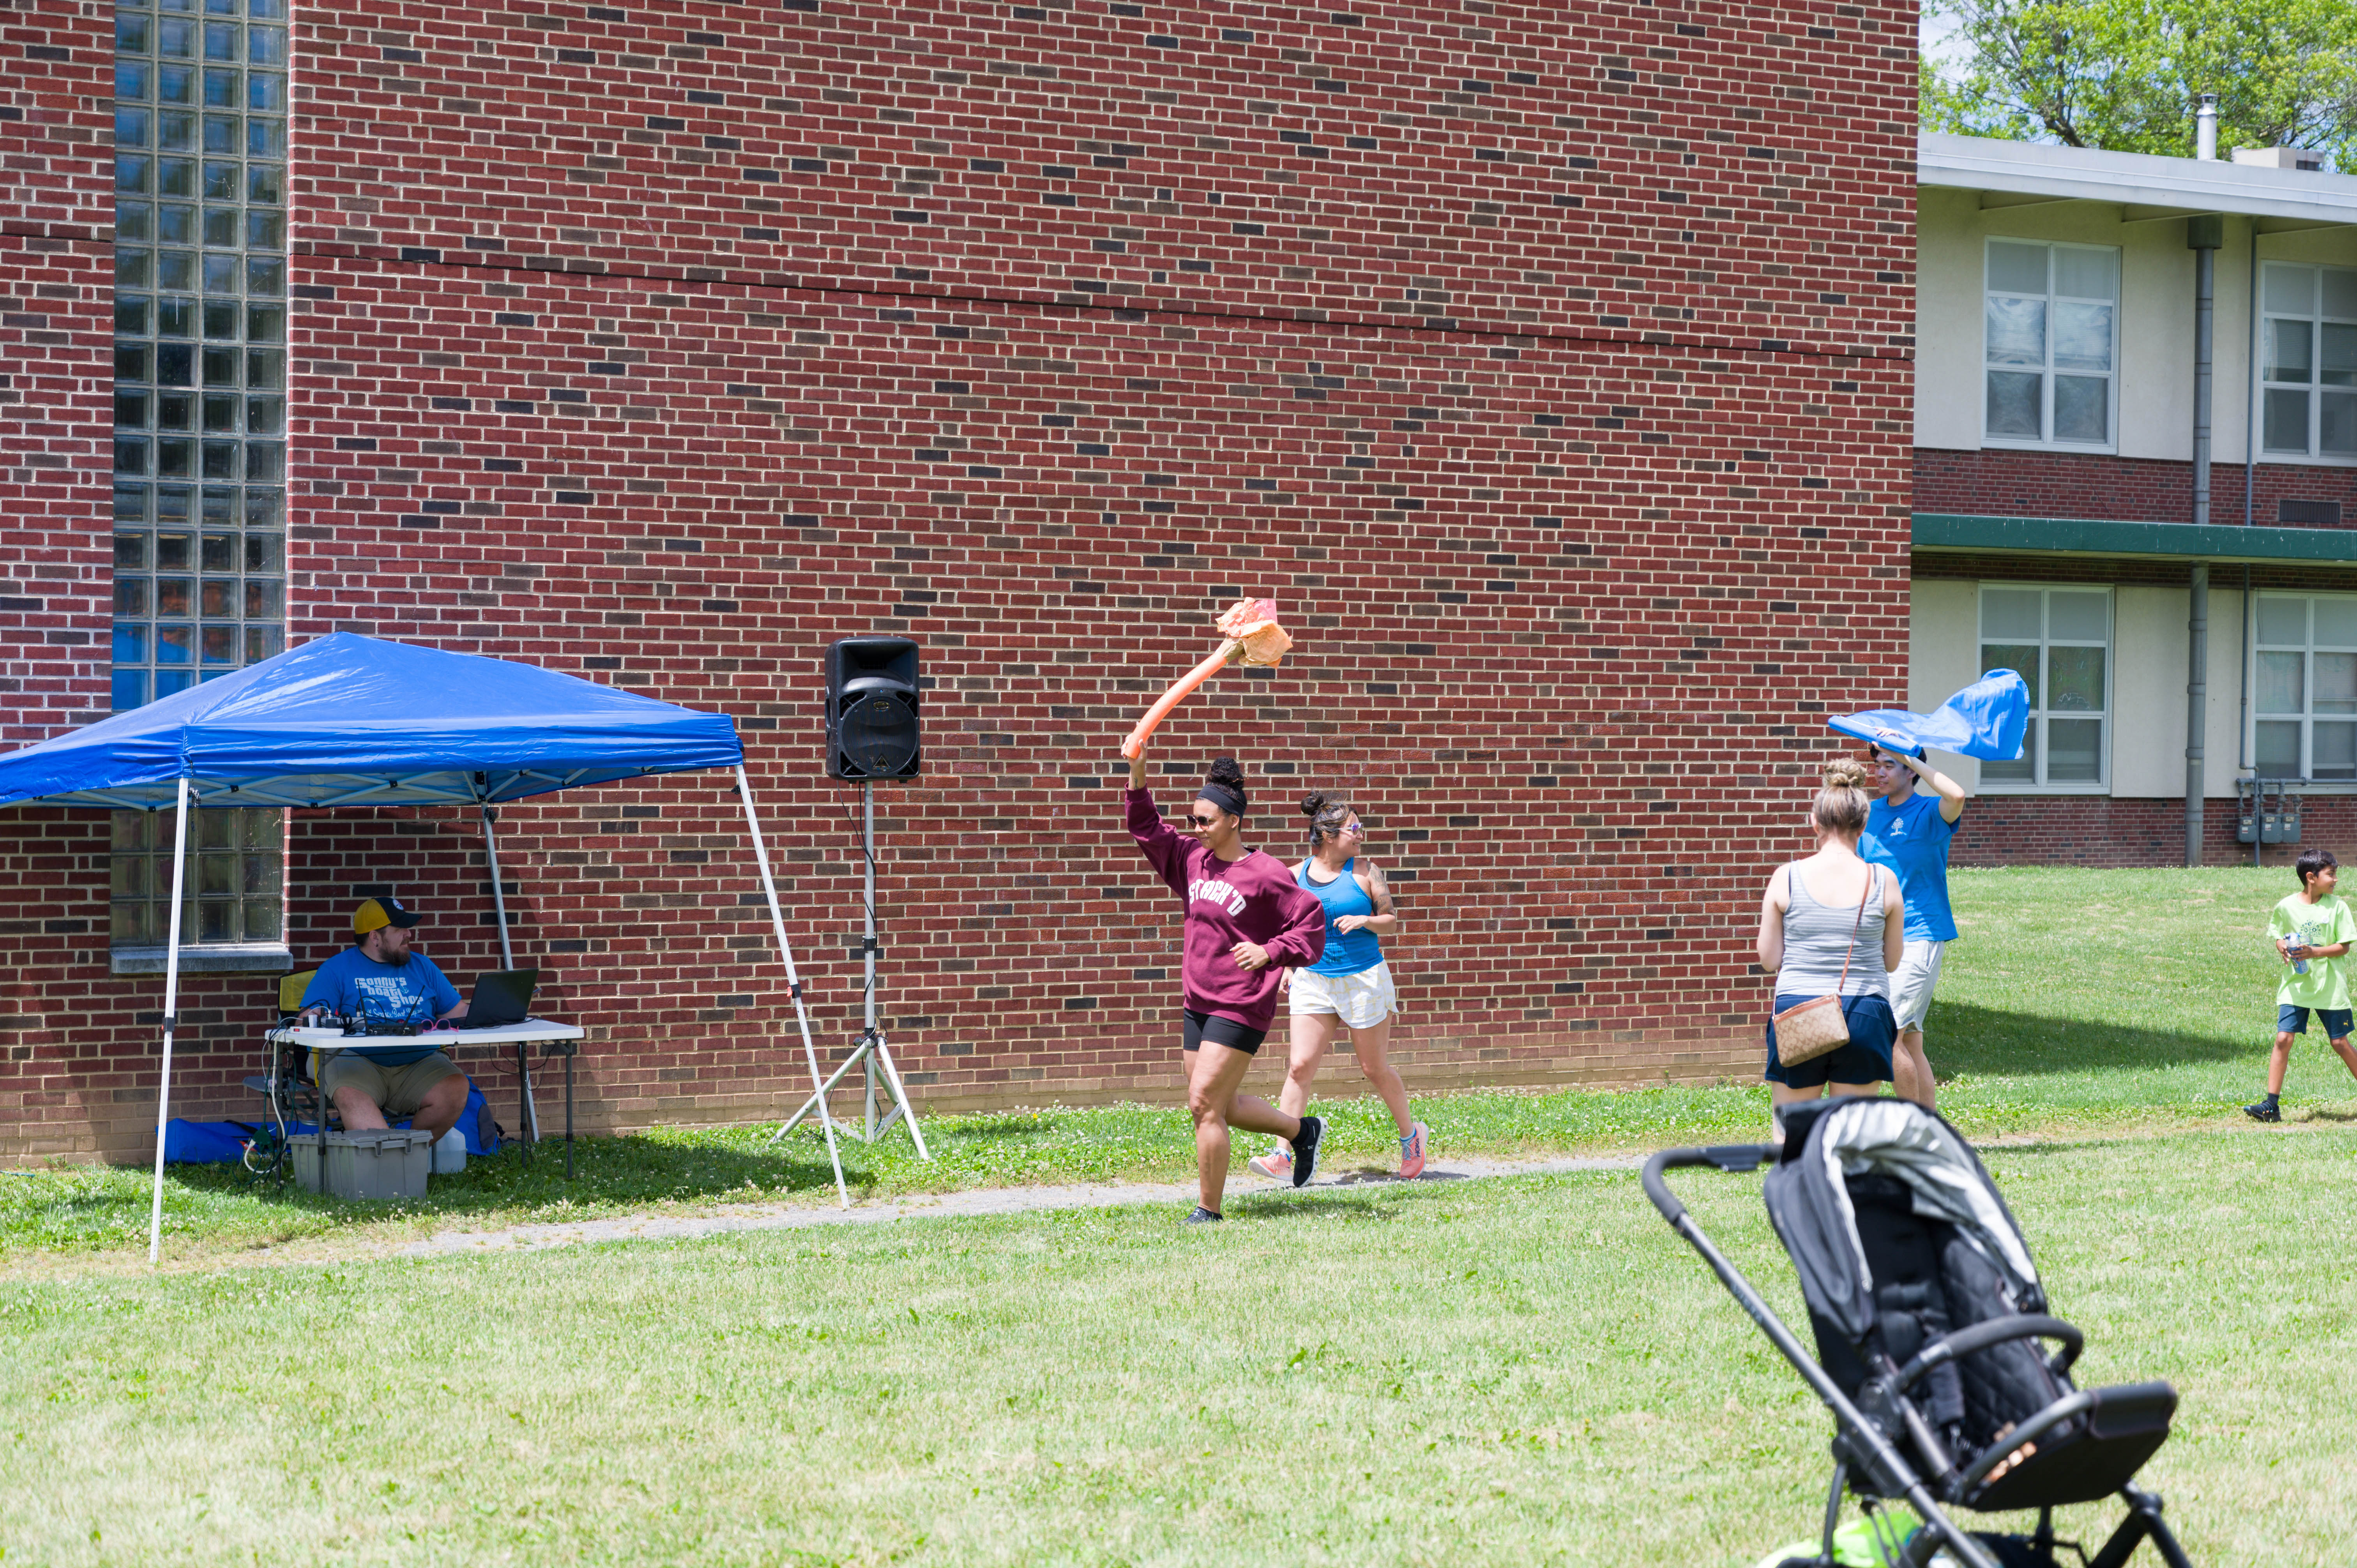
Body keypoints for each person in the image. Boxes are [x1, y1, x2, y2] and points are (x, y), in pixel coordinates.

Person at [1125, 749, 1329, 1222]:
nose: (1195, 827)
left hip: (1241, 1003)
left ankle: (1208, 1212)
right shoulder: (1191, 859)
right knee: (1223, 1105)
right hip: (1198, 1000)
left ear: (1233, 821)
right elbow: (1148, 829)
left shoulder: (1265, 874)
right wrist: (1137, 774)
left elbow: (1311, 924)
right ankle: (1303, 1133)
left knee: (1202, 1103)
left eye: (1205, 820)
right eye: (1192, 819)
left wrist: (1269, 953)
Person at [1249, 790, 1431, 1181]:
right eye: (1354, 828)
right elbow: (1286, 927)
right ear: (1329, 835)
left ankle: (1412, 1138)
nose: (1361, 834)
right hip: (1313, 978)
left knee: (1374, 1067)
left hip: (1363, 978)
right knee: (1299, 1066)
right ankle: (1283, 1154)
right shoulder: (1293, 875)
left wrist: (1364, 921)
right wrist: (1287, 964)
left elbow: (1392, 921)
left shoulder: (1366, 871)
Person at [1758, 758, 1905, 1130]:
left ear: (1815, 822)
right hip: (1864, 1013)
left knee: (1791, 1136)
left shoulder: (1785, 877)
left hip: (1799, 1011)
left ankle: (1792, 1190)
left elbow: (1768, 958)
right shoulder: (1884, 879)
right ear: (1864, 824)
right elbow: (1891, 961)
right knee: (1850, 1139)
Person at [297, 895, 473, 1139]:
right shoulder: (336, 969)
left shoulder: (424, 967)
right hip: (357, 1062)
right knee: (355, 1104)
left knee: (456, 1088)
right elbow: (305, 1022)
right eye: (400, 929)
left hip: (419, 1061)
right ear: (375, 937)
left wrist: (499, 1008)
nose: (409, 934)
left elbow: (459, 1014)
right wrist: (315, 1016)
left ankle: (409, 1157)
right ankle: (390, 1164)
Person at [1862, 743, 1967, 1111]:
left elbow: (1957, 794)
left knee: (1887, 1036)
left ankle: (1912, 1133)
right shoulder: (1869, 814)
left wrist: (1910, 758)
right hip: (1879, 940)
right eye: (1877, 765)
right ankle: (1931, 1130)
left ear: (1911, 772)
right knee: (1910, 1043)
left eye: (1891, 765)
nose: (1880, 772)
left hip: (1921, 935)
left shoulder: (1930, 812)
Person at [2246, 848, 2357, 1122]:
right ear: (2311, 877)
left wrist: (2313, 953)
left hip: (2329, 988)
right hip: (2295, 985)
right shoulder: (2286, 906)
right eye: (2330, 874)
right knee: (2283, 1038)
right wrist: (2281, 945)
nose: (2335, 880)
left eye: (2335, 874)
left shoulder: (2337, 907)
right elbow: (2277, 934)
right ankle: (2271, 1106)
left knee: (2340, 1043)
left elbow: (2343, 947)